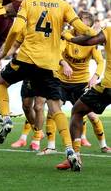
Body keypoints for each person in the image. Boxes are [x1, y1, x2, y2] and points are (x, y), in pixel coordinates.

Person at [0, 0, 96, 170]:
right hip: (49, 64)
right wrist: (100, 35)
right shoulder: (64, 6)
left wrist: (4, 51)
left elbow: (16, 30)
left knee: (1, 82)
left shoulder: (29, 2)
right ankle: (68, 149)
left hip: (26, 58)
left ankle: (6, 118)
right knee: (55, 107)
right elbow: (83, 29)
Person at [41, 12, 111, 159]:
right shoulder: (66, 36)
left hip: (82, 83)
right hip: (63, 82)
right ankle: (51, 146)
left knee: (89, 114)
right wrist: (64, 63)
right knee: (53, 110)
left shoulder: (92, 40)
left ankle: (103, 145)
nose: (81, 29)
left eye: (85, 27)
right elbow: (58, 53)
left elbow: (100, 61)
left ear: (89, 28)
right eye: (80, 25)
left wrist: (95, 77)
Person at [65, 24, 111, 171]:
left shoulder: (109, 30)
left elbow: (89, 41)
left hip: (108, 86)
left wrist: (69, 37)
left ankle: (76, 155)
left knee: (77, 111)